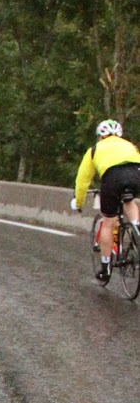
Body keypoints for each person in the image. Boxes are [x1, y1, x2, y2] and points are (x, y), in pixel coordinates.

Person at [71, 119, 140, 282]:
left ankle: (105, 267)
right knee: (129, 201)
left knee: (108, 222)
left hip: (113, 177)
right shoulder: (129, 145)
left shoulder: (94, 150)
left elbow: (82, 180)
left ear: (100, 136)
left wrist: (78, 202)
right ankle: (137, 228)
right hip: (136, 173)